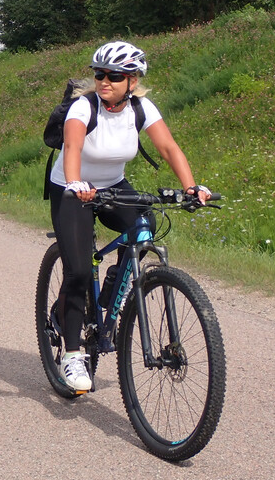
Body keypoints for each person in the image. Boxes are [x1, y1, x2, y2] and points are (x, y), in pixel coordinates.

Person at [48, 41, 211, 392]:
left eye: (115, 76)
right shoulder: (83, 107)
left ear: (132, 81)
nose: (105, 81)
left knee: (144, 226)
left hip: (113, 184)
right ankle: (73, 354)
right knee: (76, 270)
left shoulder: (141, 108)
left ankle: (111, 294)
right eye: (100, 74)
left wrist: (192, 187)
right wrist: (76, 183)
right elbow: (72, 146)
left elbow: (169, 147)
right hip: (72, 187)